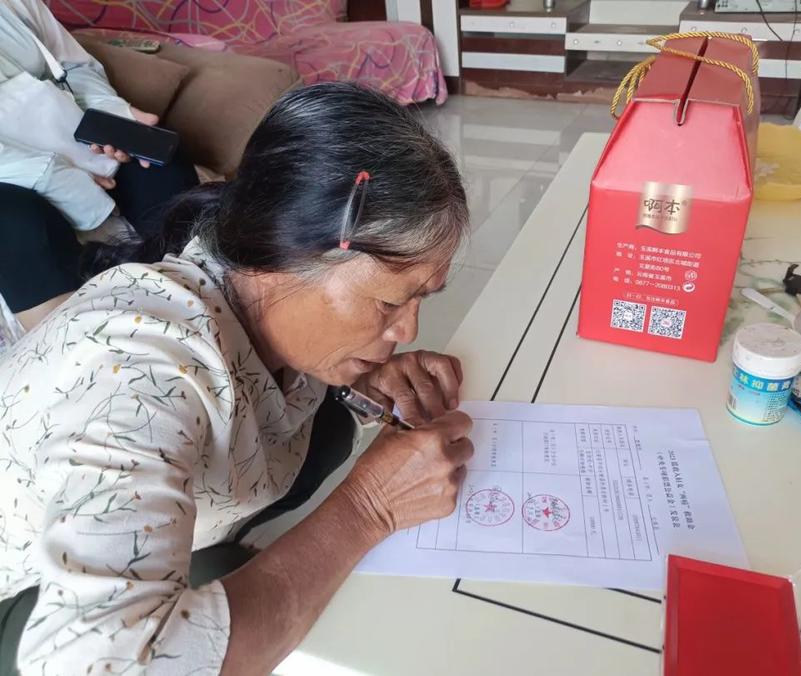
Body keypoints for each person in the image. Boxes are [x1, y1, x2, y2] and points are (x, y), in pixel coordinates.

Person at [0, 81, 473, 676]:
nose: (408, 331)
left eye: (421, 300)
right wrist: (367, 510)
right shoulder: (139, 373)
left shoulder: (247, 283)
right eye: (389, 304)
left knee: (327, 428)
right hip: (21, 599)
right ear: (280, 260)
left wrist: (363, 382)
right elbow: (100, 664)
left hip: (149, 535)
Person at [0, 0, 199, 331]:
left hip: (65, 137)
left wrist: (113, 118)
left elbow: (72, 68)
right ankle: (75, 346)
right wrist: (52, 174)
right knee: (14, 221)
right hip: (11, 173)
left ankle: (199, 302)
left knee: (160, 163)